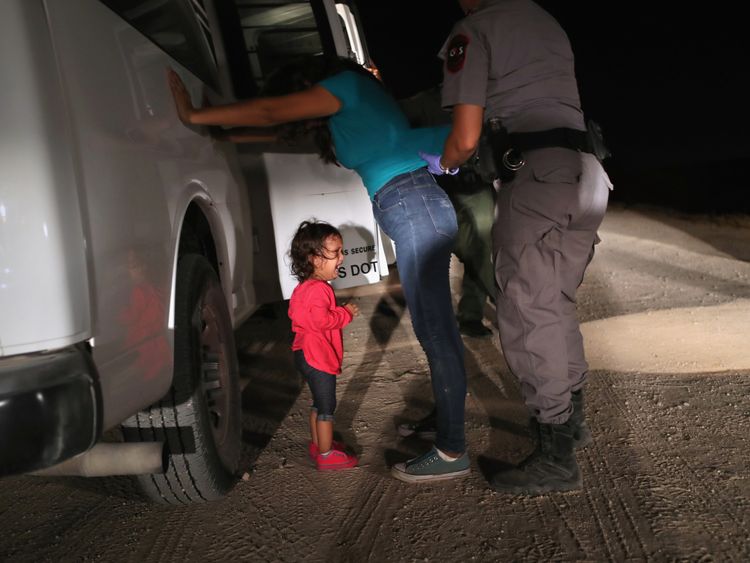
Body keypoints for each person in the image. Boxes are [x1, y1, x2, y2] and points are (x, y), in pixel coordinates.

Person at [168, 55, 470, 483]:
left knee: (436, 330)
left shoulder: (348, 85)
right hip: (407, 205)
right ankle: (447, 423)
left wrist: (194, 113)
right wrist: (214, 128)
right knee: (434, 328)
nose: (299, 102)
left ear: (309, 81)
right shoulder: (346, 113)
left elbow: (273, 111)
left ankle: (452, 447)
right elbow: (274, 126)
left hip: (414, 202)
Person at [422, 0, 612, 495]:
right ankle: (570, 424)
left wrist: (442, 164)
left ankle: (555, 456)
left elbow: (464, 137)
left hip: (539, 172)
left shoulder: (473, 29)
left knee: (527, 311)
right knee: (556, 303)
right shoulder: (544, 17)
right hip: (589, 172)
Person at [287, 220, 359, 471]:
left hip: (303, 353)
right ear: (316, 259)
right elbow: (321, 321)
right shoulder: (320, 290)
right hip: (318, 357)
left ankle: (318, 444)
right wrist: (345, 313)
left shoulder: (302, 288)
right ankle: (326, 454)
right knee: (327, 406)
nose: (341, 258)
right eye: (336, 252)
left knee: (317, 403)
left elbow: (298, 317)